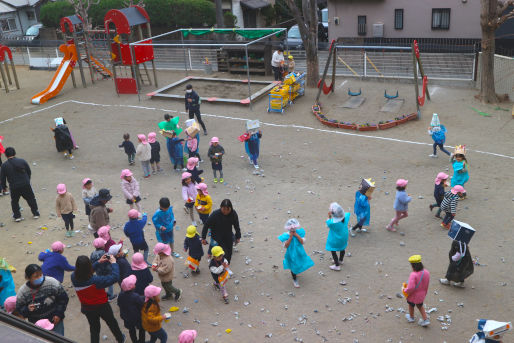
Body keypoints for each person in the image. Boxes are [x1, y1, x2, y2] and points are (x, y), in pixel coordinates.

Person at [71, 255, 125, 343]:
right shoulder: (96, 281)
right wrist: (114, 264)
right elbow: (115, 277)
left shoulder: (73, 277)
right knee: (112, 323)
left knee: (94, 329)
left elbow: (84, 271)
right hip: (102, 306)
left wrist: (98, 262)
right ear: (89, 266)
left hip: (87, 307)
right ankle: (120, 339)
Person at [16, 264, 69, 335]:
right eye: (36, 276)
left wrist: (59, 314)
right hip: (37, 327)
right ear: (28, 278)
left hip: (54, 322)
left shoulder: (52, 283)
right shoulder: (23, 292)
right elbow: (19, 310)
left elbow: (63, 298)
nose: (39, 277)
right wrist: (27, 309)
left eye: (41, 275)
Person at [0, 147, 40, 222]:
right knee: (31, 198)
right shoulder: (22, 161)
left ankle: (17, 216)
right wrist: (27, 179)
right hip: (25, 184)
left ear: (5, 155)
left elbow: (2, 178)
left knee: (14, 201)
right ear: (14, 153)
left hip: (14, 186)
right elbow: (29, 171)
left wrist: (4, 187)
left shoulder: (4, 166)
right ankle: (35, 213)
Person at [201, 199, 241, 264]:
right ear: (220, 207)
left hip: (228, 236)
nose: (225, 211)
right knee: (219, 255)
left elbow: (236, 225)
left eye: (227, 209)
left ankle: (226, 267)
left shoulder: (233, 214)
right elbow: (206, 225)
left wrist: (238, 236)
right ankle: (218, 269)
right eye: (223, 209)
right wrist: (203, 237)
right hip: (217, 238)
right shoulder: (215, 214)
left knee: (228, 253)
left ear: (230, 208)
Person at [278, 219, 314, 288]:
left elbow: (302, 242)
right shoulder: (286, 236)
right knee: (293, 265)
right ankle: (294, 279)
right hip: (291, 253)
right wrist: (291, 237)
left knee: (299, 262)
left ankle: (296, 273)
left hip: (299, 252)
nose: (293, 229)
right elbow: (286, 246)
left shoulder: (299, 233)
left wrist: (296, 235)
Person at [402, 255, 430, 327]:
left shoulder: (413, 274)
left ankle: (411, 317)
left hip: (413, 296)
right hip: (422, 294)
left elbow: (411, 288)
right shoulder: (426, 272)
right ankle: (425, 319)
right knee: (420, 306)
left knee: (411, 305)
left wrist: (404, 290)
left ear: (413, 265)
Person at [118, 275, 146, 343]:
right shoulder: (135, 296)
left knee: (131, 330)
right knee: (142, 329)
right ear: (132, 287)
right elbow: (142, 304)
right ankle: (141, 341)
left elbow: (119, 304)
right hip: (137, 317)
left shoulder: (121, 295)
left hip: (126, 317)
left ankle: (135, 341)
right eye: (134, 283)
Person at [325, 203, 350, 271]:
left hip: (335, 239)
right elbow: (346, 213)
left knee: (333, 251)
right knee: (342, 248)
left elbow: (328, 223)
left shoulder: (331, 223)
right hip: (344, 237)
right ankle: (341, 260)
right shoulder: (347, 216)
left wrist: (329, 215)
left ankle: (337, 265)